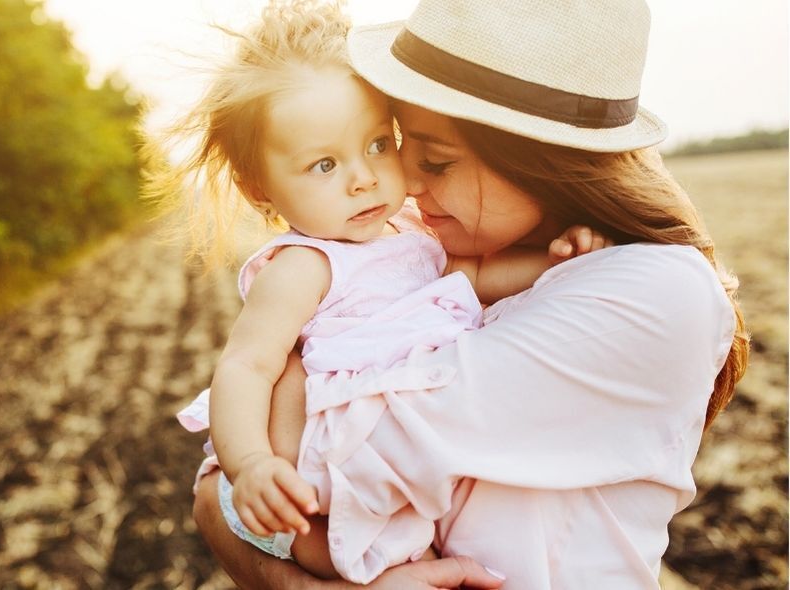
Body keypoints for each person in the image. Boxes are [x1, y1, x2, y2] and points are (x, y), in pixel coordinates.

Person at [189, 0, 751, 588]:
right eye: (403, 146)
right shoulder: (357, 257)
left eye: (429, 158)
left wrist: (287, 389)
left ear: (539, 162)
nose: (402, 180)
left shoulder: (656, 292)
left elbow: (323, 463)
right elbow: (231, 479)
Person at [150, 0, 607, 583]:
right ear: (258, 188)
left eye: (376, 145)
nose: (363, 177)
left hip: (405, 444)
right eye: (323, 165)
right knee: (322, 541)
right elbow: (246, 365)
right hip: (332, 450)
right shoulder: (305, 265)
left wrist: (557, 259)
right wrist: (253, 463)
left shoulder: (413, 234)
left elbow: (473, 279)